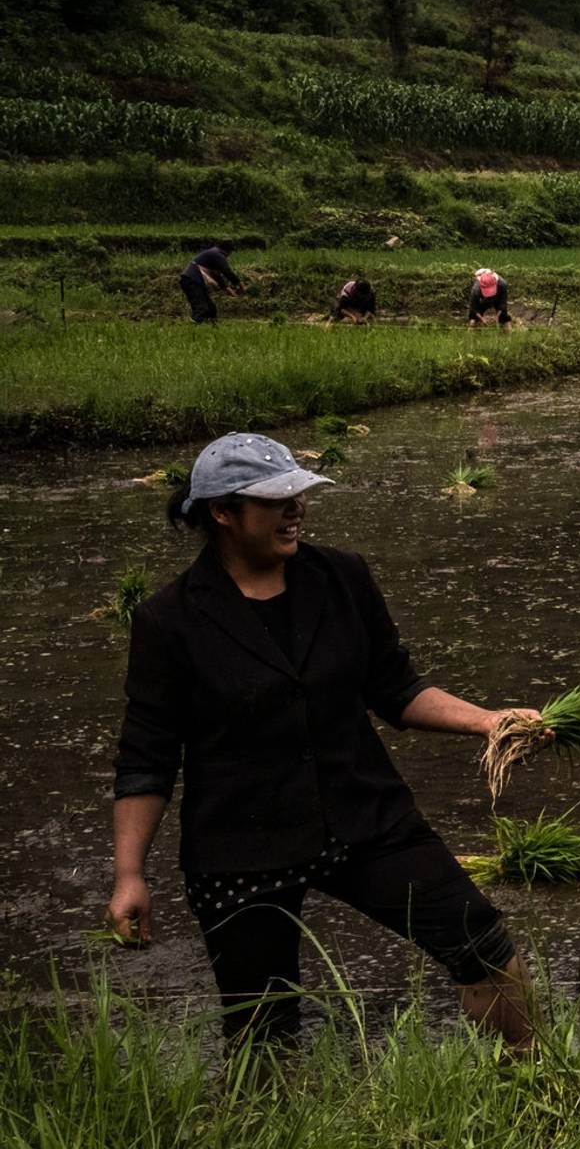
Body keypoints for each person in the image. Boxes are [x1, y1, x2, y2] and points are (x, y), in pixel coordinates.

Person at [108, 433, 545, 1049]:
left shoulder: (341, 577)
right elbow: (147, 756)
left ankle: (534, 1081)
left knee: (482, 943)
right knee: (263, 1023)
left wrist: (488, 720)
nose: (297, 510)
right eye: (276, 499)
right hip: (242, 845)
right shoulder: (169, 620)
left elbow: (394, 688)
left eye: (299, 494)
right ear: (223, 513)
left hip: (365, 816)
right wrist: (130, 875)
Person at [178, 241, 242, 324]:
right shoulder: (217, 254)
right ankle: (194, 325)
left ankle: (210, 327)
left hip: (194, 281)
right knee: (201, 309)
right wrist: (240, 284)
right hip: (192, 281)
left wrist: (227, 289)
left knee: (211, 310)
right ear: (228, 251)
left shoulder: (213, 254)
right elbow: (227, 271)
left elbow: (217, 275)